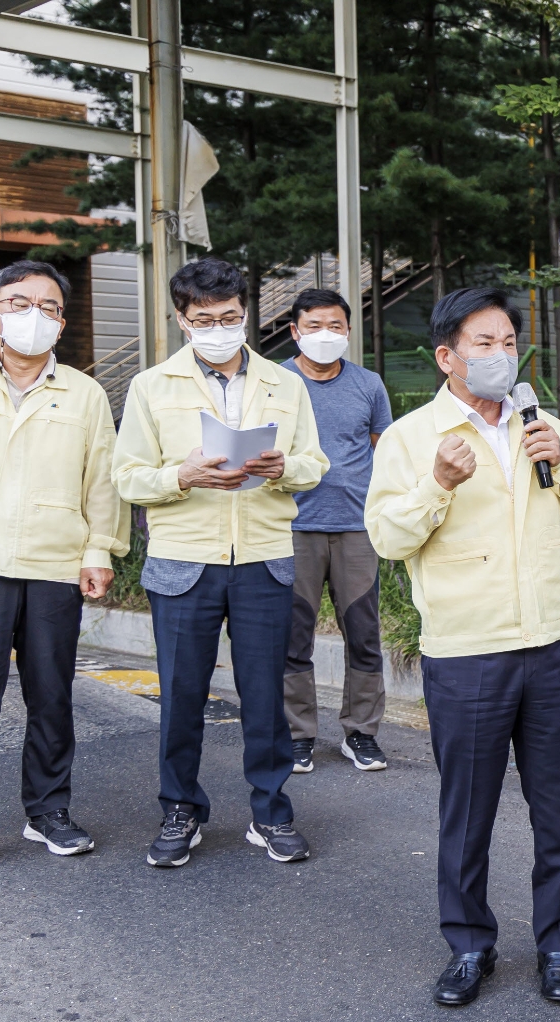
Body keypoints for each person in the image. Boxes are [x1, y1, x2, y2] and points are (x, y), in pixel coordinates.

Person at [366, 287, 560, 1007]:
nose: (500, 355)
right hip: (467, 651)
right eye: (483, 343)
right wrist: (438, 483)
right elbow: (387, 537)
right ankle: (469, 945)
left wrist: (559, 459)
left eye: (508, 343)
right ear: (447, 356)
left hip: (548, 644)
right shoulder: (414, 438)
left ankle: (558, 945)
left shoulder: (542, 424)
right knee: (467, 810)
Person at [112, 257, 329, 867]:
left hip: (264, 558)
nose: (220, 328)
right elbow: (127, 477)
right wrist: (180, 475)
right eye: (205, 319)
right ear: (182, 320)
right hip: (184, 562)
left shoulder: (285, 384)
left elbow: (314, 463)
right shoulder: (152, 386)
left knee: (265, 695)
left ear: (245, 314)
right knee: (182, 696)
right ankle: (181, 809)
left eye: (230, 317)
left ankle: (271, 811)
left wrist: (285, 468)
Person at [0, 260, 128, 868]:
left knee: (51, 697)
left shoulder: (83, 393)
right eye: (19, 303)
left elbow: (101, 484)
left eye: (48, 307)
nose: (34, 315)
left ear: (61, 321)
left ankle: (48, 811)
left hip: (54, 564)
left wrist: (98, 551)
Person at [280, 288, 394, 775]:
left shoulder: (369, 385)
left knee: (364, 634)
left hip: (356, 529)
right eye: (314, 326)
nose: (325, 336)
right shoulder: (274, 383)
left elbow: (382, 450)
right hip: (291, 526)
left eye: (336, 327)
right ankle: (297, 735)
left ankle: (361, 733)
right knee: (292, 637)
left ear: (348, 332)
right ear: (294, 330)